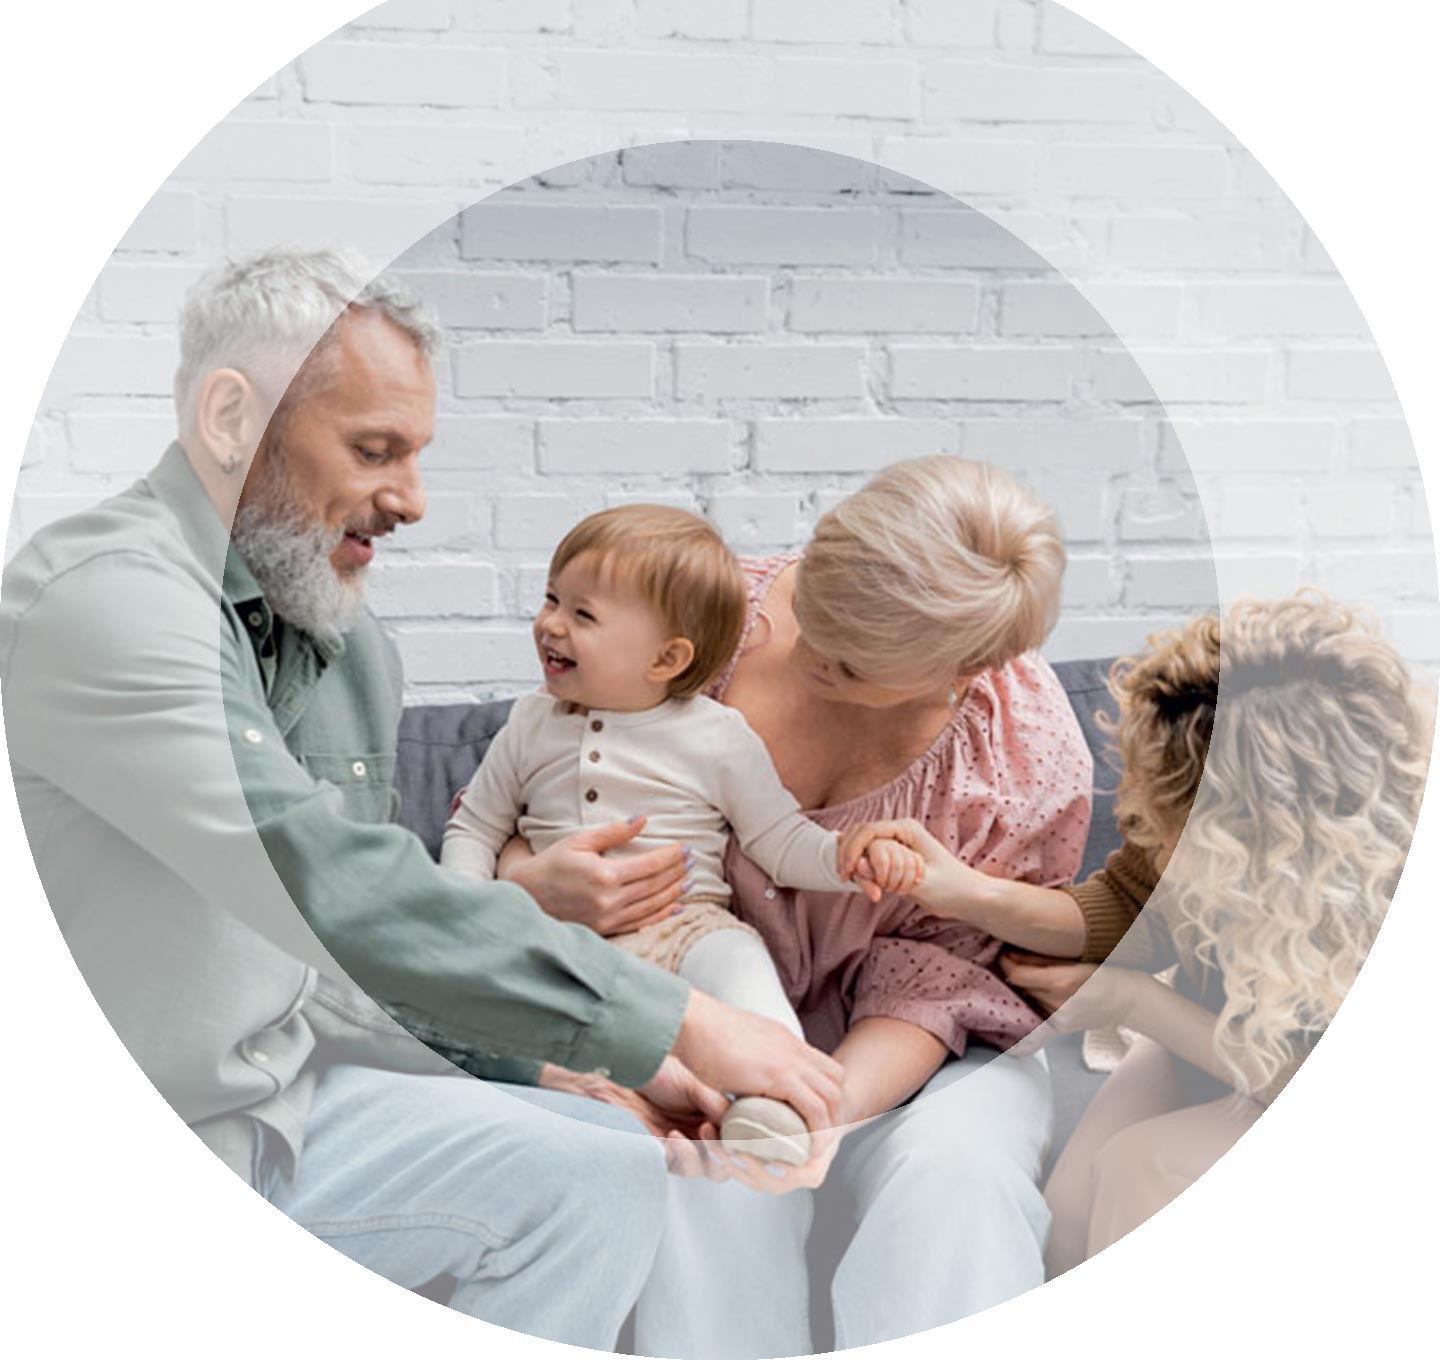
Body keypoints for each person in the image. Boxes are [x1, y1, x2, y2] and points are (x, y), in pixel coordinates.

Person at [0, 247, 843, 1348]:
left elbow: (342, 960)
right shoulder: (103, 608)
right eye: (373, 451)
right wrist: (674, 1020)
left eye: (415, 455)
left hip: (292, 1102)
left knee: (605, 1173)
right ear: (227, 418)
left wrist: (540, 1060)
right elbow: (330, 880)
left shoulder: (348, 645)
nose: (410, 499)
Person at [500, 455, 1094, 1354]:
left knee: (958, 1182)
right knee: (705, 1175)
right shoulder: (700, 616)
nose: (805, 654)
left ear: (964, 667)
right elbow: (537, 781)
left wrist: (806, 1105)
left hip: (921, 1054)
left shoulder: (1020, 754)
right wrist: (530, 885)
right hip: (687, 1013)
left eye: (847, 665)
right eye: (808, 611)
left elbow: (937, 981)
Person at [849, 593, 1430, 1276]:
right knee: (1064, 1217)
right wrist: (966, 894)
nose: (1138, 815)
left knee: (1143, 1166)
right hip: (1219, 1032)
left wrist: (1129, 1003)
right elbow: (1123, 907)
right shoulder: (1191, 815)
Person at [442, 504, 920, 1163]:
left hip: (687, 926)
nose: (549, 624)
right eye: (552, 598)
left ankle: (779, 1107)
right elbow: (475, 826)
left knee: (742, 969)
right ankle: (633, 1100)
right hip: (561, 940)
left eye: (583, 614)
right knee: (511, 1003)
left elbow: (778, 839)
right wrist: (469, 913)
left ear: (667, 657)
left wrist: (844, 858)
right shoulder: (531, 722)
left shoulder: (716, 735)